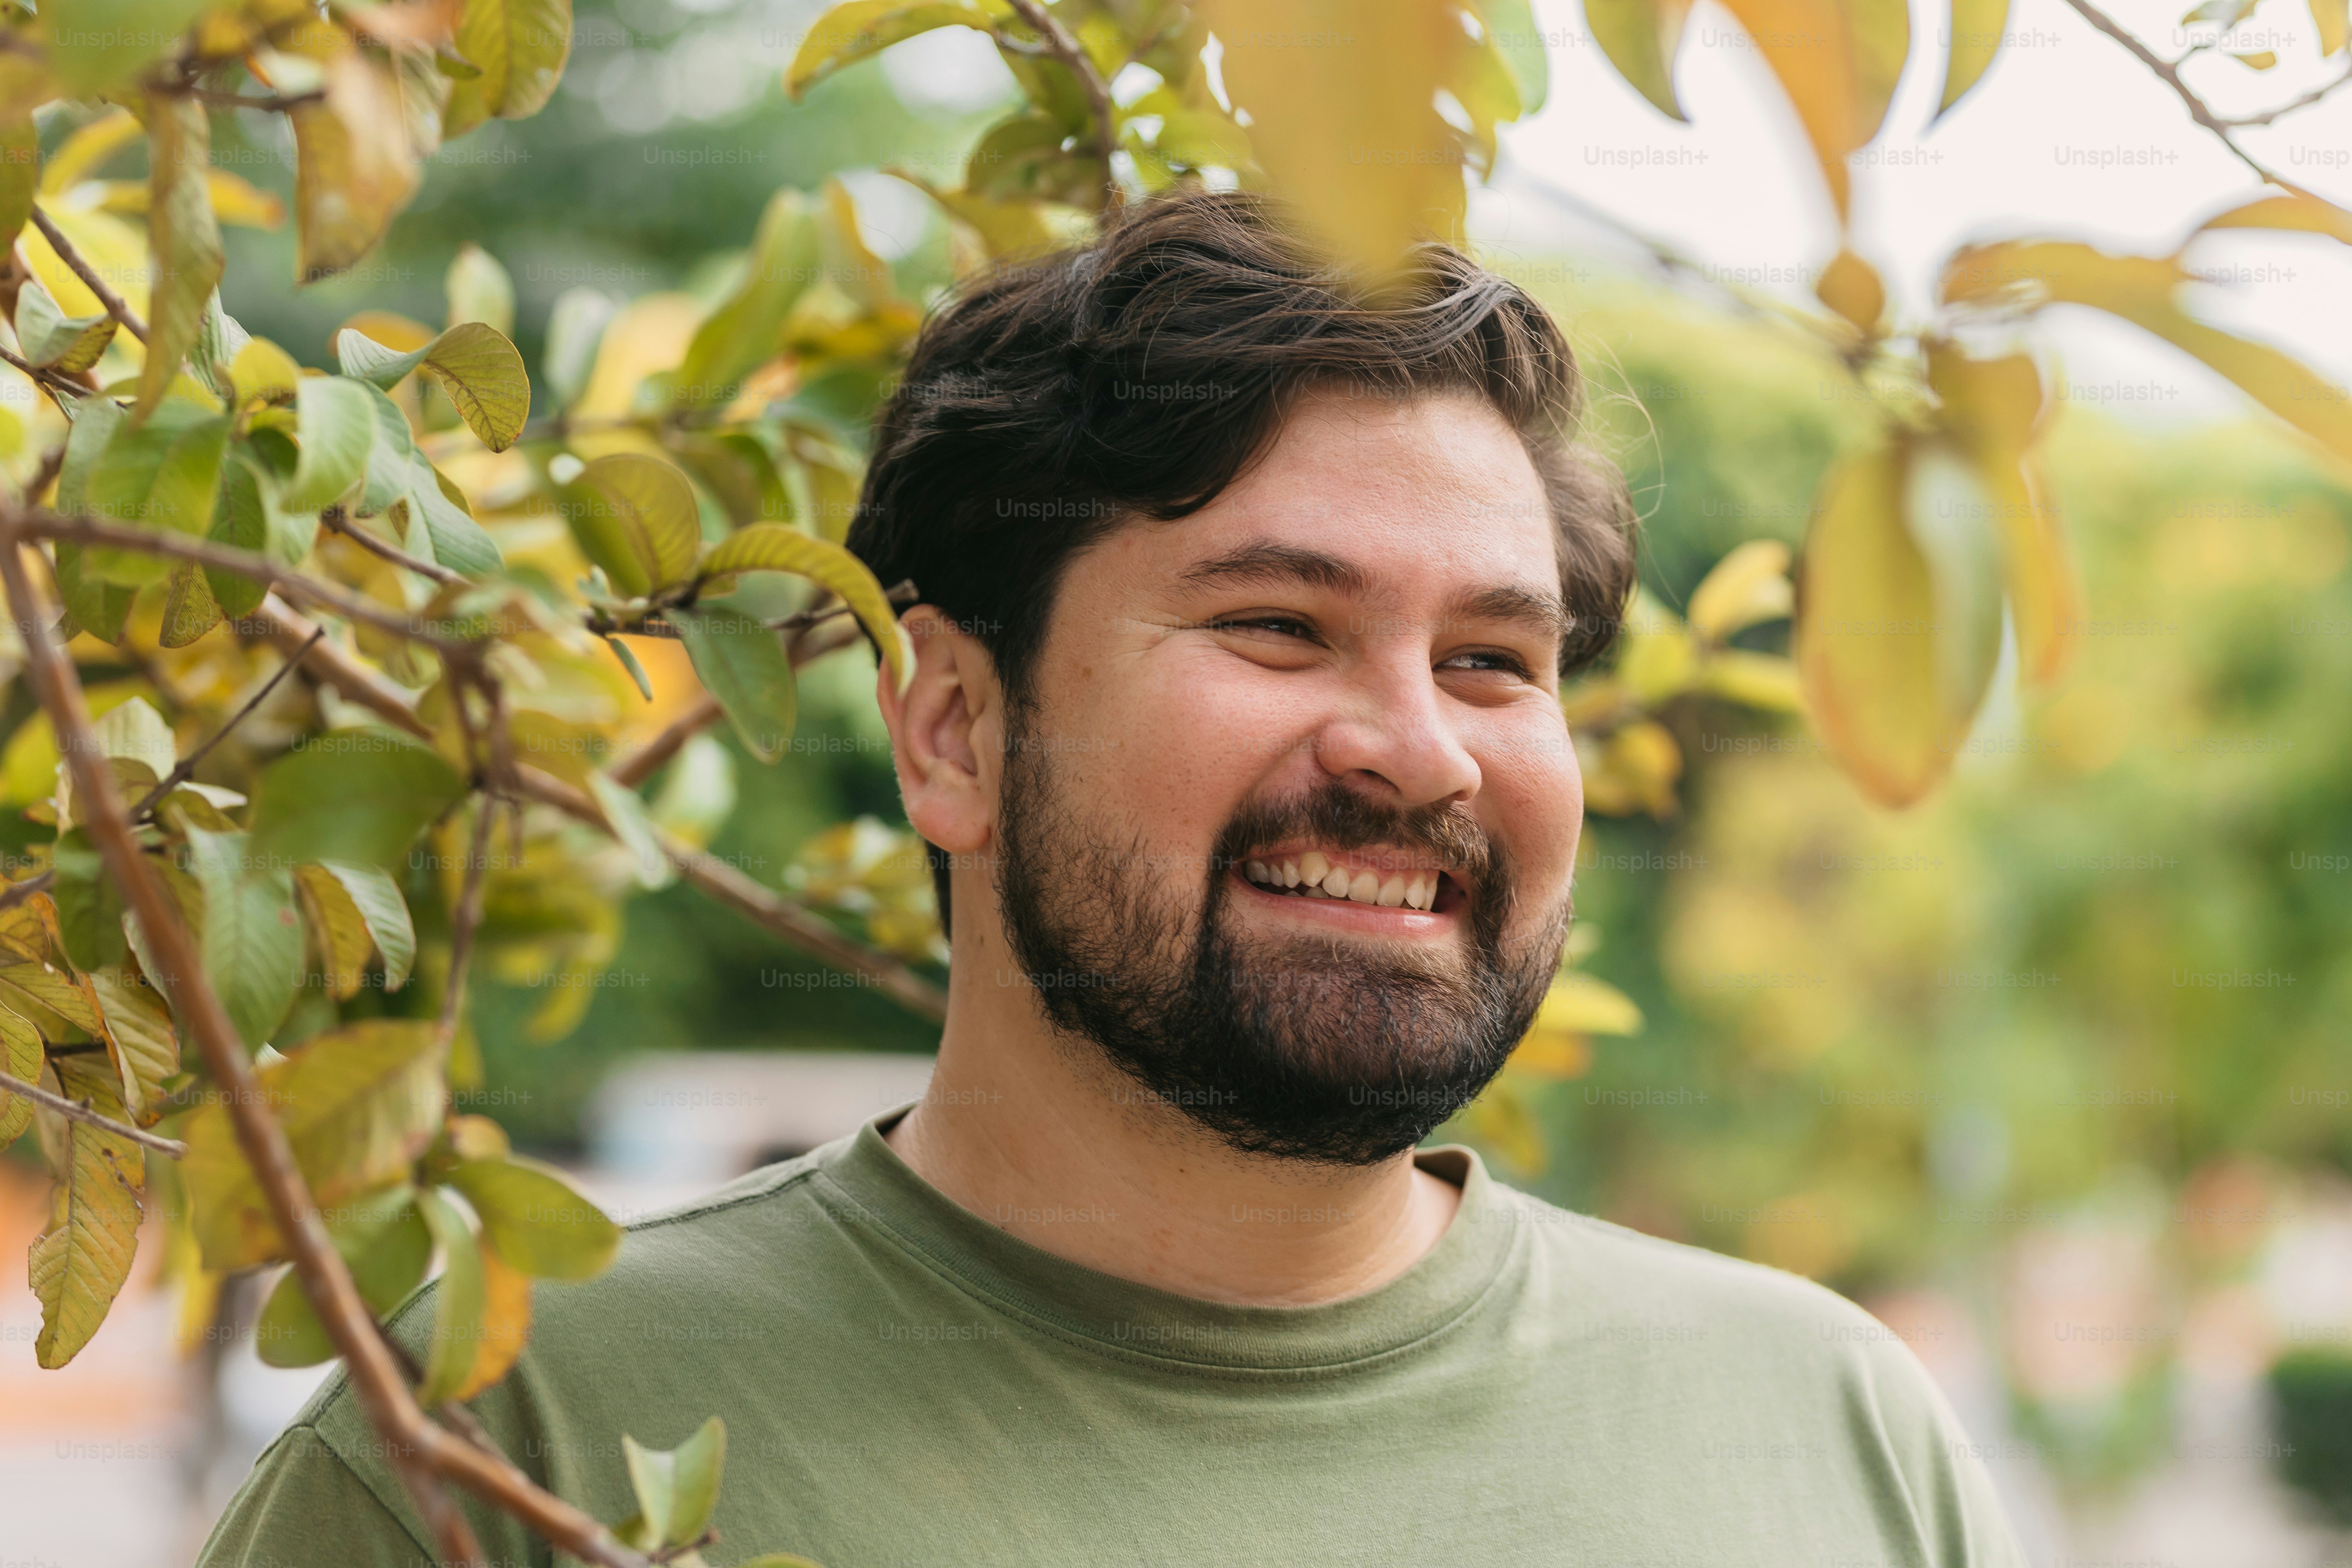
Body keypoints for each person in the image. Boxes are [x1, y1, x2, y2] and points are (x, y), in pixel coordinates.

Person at [197, 188, 2027, 1567]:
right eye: (1278, 624)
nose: (1421, 751)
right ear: (953, 731)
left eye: (1494, 660)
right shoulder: (509, 1443)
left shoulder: (1832, 1433)